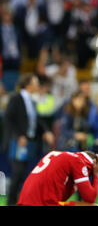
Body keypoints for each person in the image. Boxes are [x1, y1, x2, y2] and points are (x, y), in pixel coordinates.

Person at [3, 74, 55, 205]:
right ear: (28, 84)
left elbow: (36, 121)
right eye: (36, 82)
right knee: (18, 172)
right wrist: (18, 135)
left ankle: (21, 201)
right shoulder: (16, 98)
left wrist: (45, 132)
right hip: (17, 142)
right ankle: (11, 202)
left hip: (29, 142)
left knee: (23, 173)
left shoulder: (32, 101)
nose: (38, 85)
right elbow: (8, 118)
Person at [17, 150, 98, 206]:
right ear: (93, 163)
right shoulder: (78, 161)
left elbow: (60, 199)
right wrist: (96, 174)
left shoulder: (56, 154)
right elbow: (90, 198)